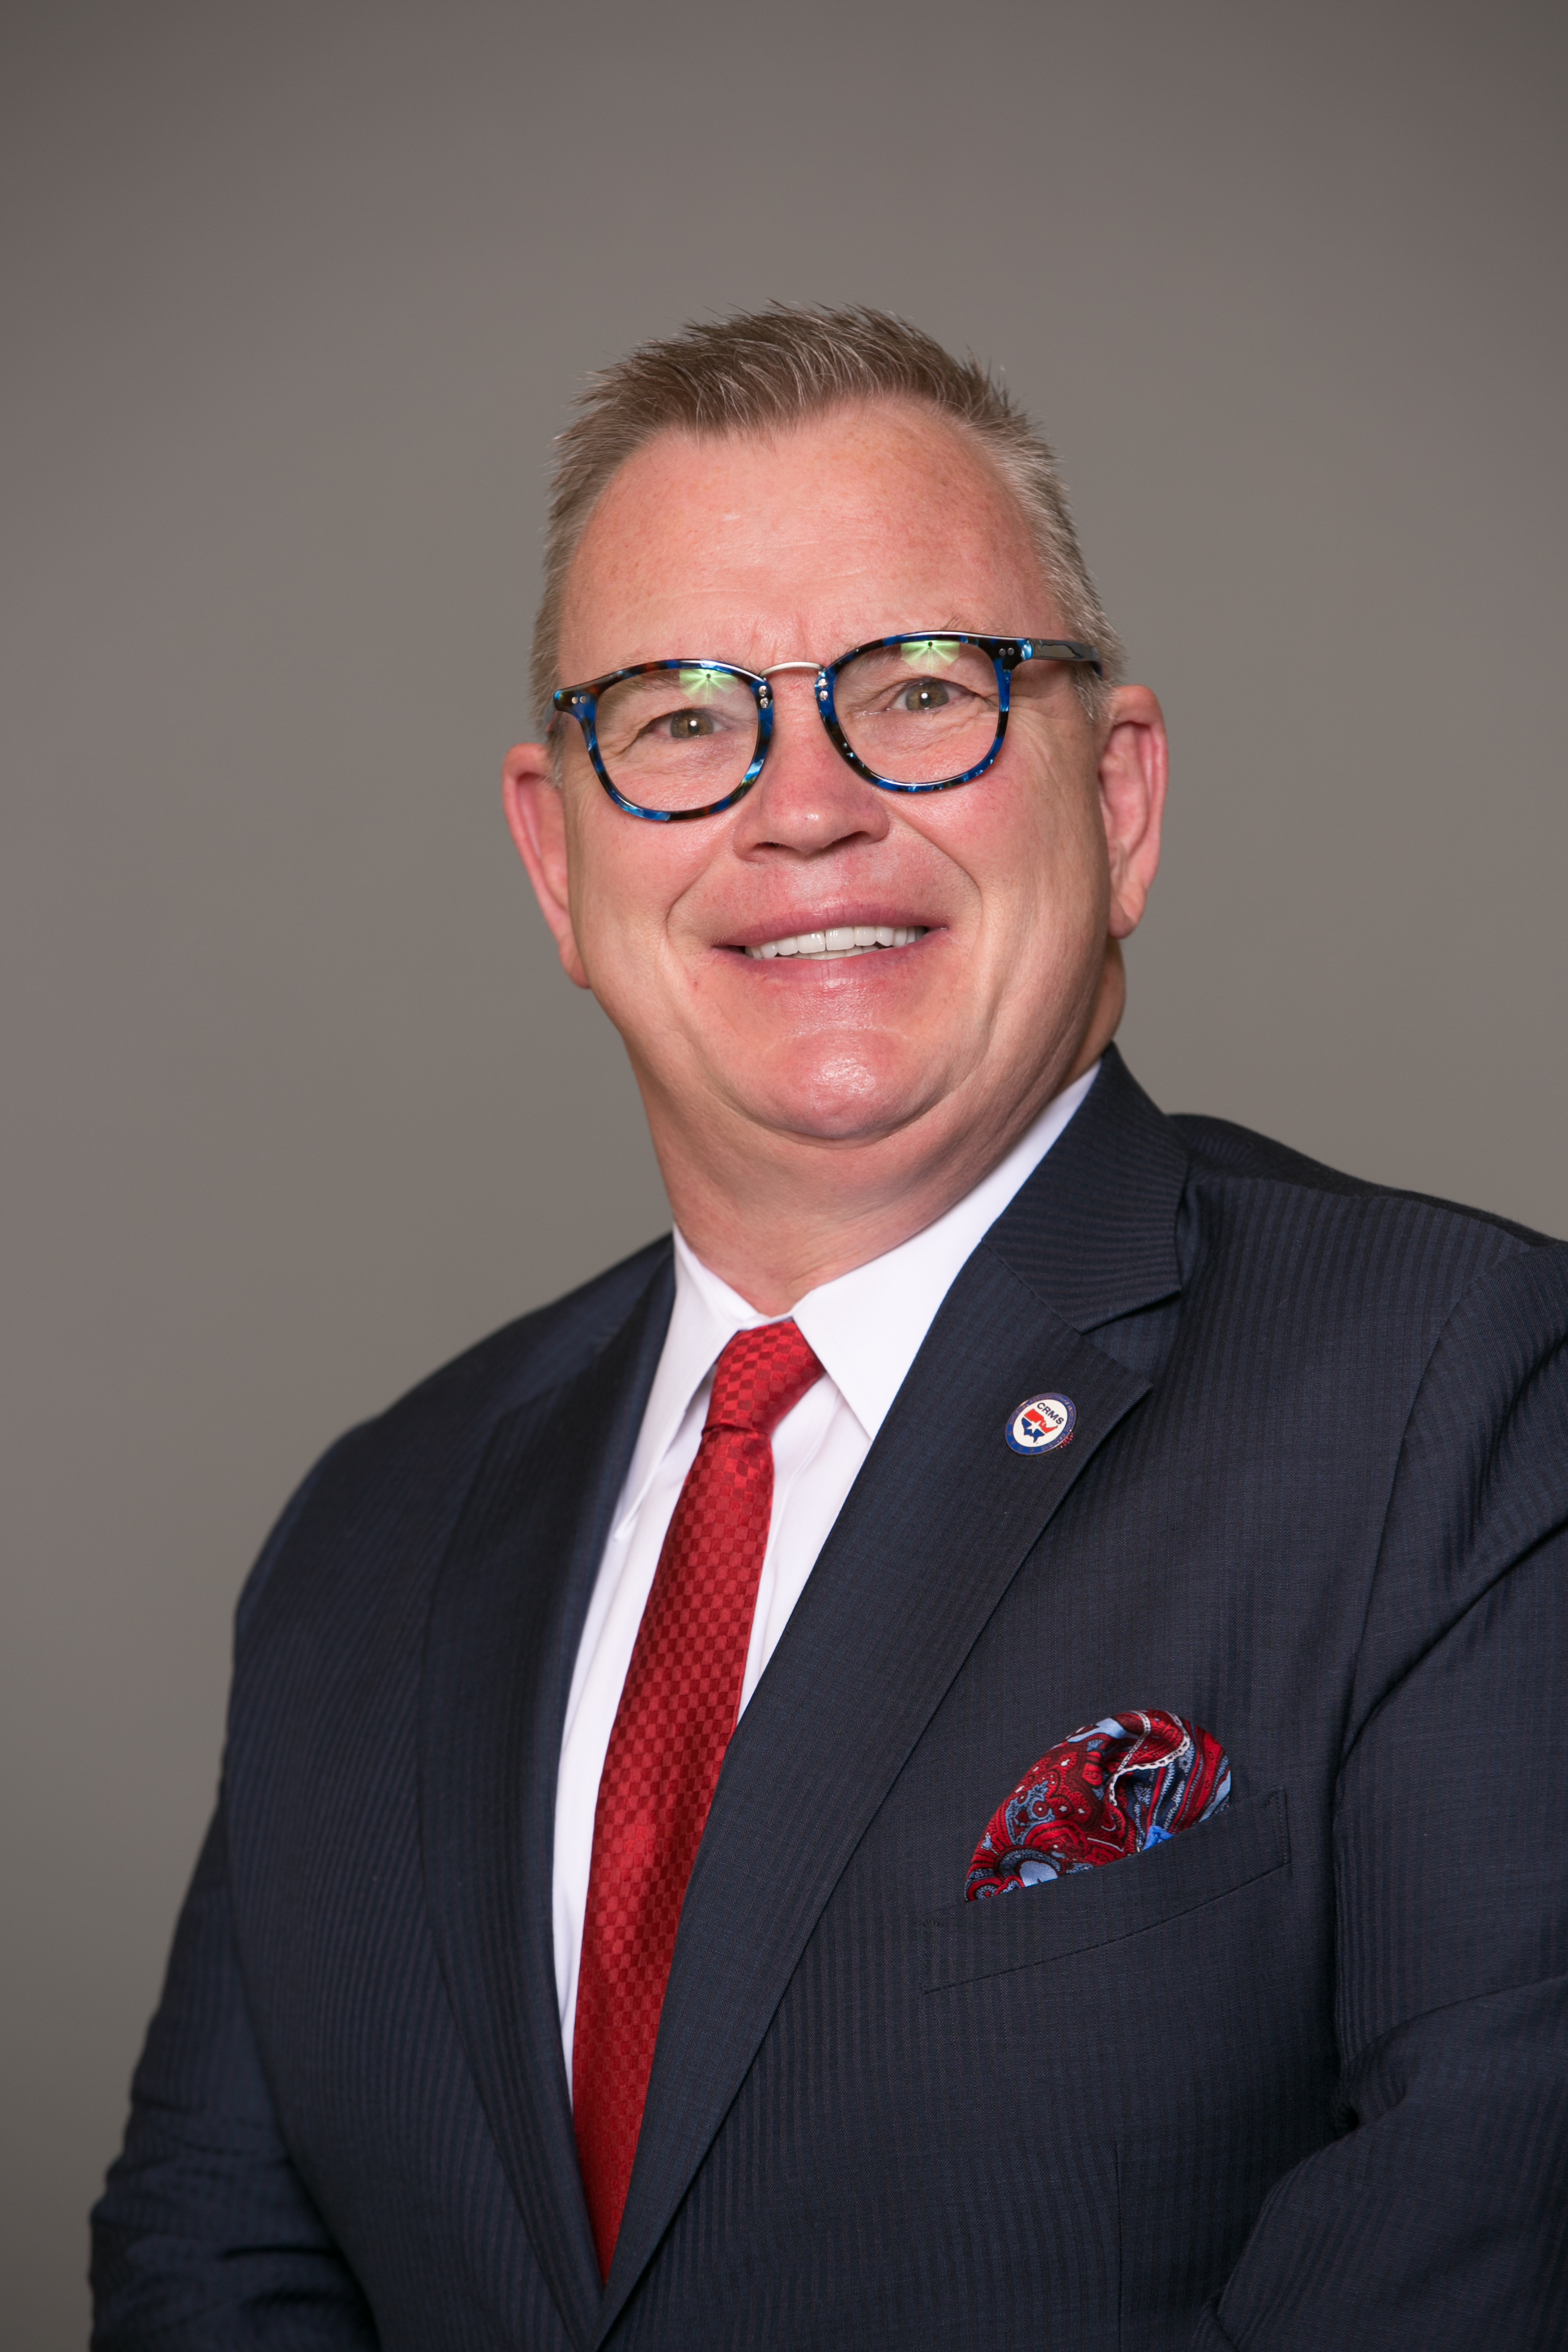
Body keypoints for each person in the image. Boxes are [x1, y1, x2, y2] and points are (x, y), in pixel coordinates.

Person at [91, 306, 1568, 2351]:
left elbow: (1487, 2213)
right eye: (683, 718)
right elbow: (212, 2265)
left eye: (923, 689)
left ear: (1121, 797)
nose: (803, 808)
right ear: (557, 855)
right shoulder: (370, 1536)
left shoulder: (1460, 1401)